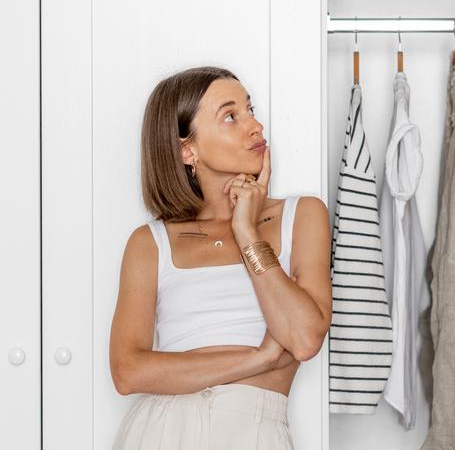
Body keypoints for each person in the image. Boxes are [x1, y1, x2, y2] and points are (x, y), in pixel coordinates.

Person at [109, 66, 332, 449]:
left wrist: (246, 233)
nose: (256, 126)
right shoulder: (151, 243)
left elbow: (304, 337)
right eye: (231, 116)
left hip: (255, 432)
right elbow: (128, 371)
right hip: (161, 433)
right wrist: (259, 358)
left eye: (250, 109)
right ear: (187, 150)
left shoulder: (303, 215)